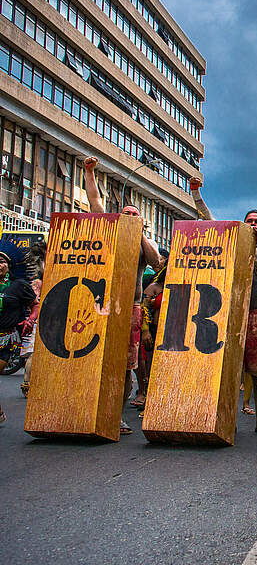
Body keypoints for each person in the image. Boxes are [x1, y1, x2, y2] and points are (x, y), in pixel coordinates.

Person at [190, 176, 257, 435]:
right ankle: (224, 419)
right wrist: (196, 193)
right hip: (227, 316)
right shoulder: (231, 241)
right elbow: (208, 218)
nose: (252, 225)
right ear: (243, 223)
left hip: (256, 316)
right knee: (225, 372)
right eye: (249, 221)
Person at [84, 156, 162, 435]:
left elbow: (156, 263)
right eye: (125, 214)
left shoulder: (144, 244)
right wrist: (89, 173)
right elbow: (95, 204)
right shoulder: (110, 233)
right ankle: (94, 410)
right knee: (97, 357)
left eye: (134, 215)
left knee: (128, 363)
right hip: (104, 306)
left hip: (132, 307)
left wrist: (139, 233)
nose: (128, 217)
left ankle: (117, 415)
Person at [0, 249, 36, 424]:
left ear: (9, 265)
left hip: (5, 338)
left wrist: (30, 320)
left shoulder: (19, 285)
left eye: (2, 261)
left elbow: (35, 305)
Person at [20, 241, 45, 397]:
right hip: (38, 319)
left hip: (37, 318)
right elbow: (34, 302)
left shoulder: (37, 278)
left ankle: (29, 383)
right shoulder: (38, 282)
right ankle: (27, 383)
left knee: (34, 353)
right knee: (34, 353)